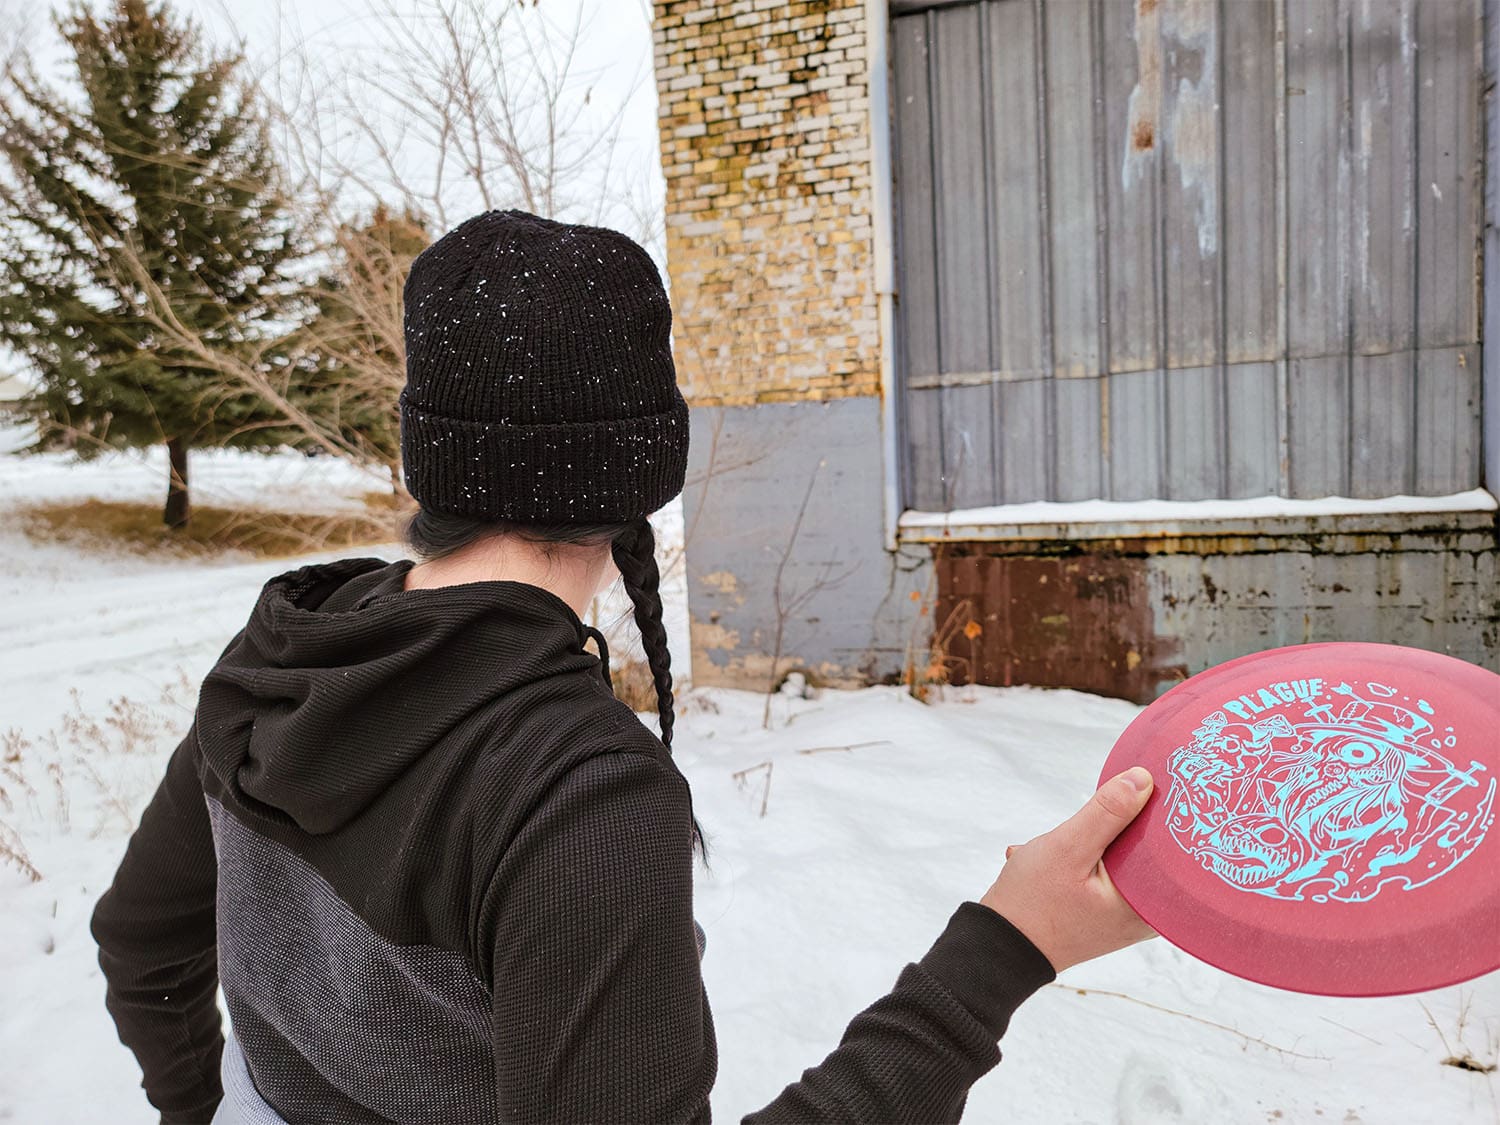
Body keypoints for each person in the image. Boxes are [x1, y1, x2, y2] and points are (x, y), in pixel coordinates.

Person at [91, 209, 1157, 1125]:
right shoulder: (577, 796)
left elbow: (142, 947)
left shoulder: (286, 650)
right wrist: (1008, 948)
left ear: (436, 457)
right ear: (635, 472)